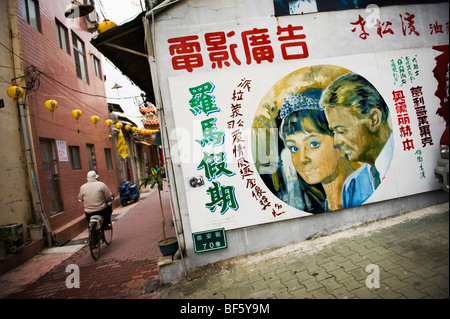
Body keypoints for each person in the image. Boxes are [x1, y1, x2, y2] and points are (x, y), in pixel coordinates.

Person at [320, 72, 394, 207]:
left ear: (373, 119)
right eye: (334, 132)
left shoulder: (403, 160)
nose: (337, 142)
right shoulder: (351, 186)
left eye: (341, 130)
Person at [279, 87, 355, 212]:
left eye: (313, 144)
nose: (302, 159)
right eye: (294, 148)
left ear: (340, 142)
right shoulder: (322, 206)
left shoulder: (367, 188)